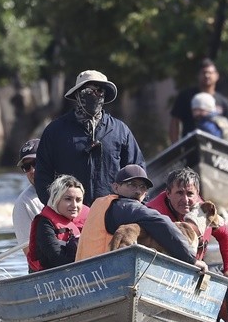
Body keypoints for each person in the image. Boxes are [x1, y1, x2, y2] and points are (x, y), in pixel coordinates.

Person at [35, 70, 145, 207]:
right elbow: (42, 175)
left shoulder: (120, 130)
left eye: (99, 91)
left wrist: (130, 207)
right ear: (77, 94)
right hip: (70, 215)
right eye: (88, 91)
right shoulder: (55, 131)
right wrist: (56, 207)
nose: (95, 95)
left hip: (112, 213)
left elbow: (137, 172)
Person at [75, 164, 208, 272]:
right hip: (104, 275)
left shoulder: (98, 204)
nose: (138, 191)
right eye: (131, 184)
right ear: (116, 187)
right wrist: (192, 259)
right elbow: (161, 222)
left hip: (82, 277)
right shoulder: (125, 206)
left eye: (143, 187)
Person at [146, 167, 228, 290]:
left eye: (190, 194)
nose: (185, 200)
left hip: (196, 269)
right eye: (179, 193)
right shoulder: (152, 212)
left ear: (197, 194)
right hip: (159, 271)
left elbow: (225, 235)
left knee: (221, 274)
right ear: (168, 193)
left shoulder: (206, 211)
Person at [26, 174, 89, 272]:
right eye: (68, 199)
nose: (74, 205)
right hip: (51, 277)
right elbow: (56, 258)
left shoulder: (87, 220)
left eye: (78, 200)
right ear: (56, 199)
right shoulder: (44, 224)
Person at [169, 58, 228, 143]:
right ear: (198, 75)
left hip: (217, 151)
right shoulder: (186, 96)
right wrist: (176, 146)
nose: (207, 75)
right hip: (191, 149)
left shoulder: (223, 102)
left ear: (217, 75)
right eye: (204, 72)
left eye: (210, 73)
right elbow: (175, 121)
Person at [12, 138, 44, 255]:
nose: (32, 170)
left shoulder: (72, 190)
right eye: (26, 167)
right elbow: (30, 253)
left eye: (36, 163)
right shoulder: (23, 204)